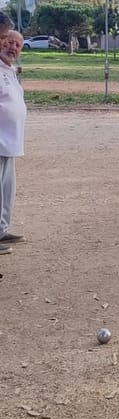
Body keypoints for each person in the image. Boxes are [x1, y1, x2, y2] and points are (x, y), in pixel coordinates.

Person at [0, 20, 27, 254]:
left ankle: (1, 230)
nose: (12, 48)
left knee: (7, 192)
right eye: (9, 42)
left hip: (10, 143)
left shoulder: (9, 70)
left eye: (18, 45)